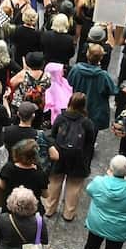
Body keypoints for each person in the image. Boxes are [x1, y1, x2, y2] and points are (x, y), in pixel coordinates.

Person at [44, 93, 98, 221]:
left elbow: (52, 135)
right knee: (74, 187)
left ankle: (49, 209)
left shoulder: (61, 117)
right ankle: (69, 213)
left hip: (59, 155)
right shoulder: (87, 123)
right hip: (78, 159)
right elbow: (90, 143)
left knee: (54, 182)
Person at [66, 44, 117, 132]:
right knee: (91, 136)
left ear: (87, 54)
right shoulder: (103, 75)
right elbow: (113, 90)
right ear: (101, 58)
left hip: (76, 107)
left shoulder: (76, 69)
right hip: (95, 112)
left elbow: (68, 83)